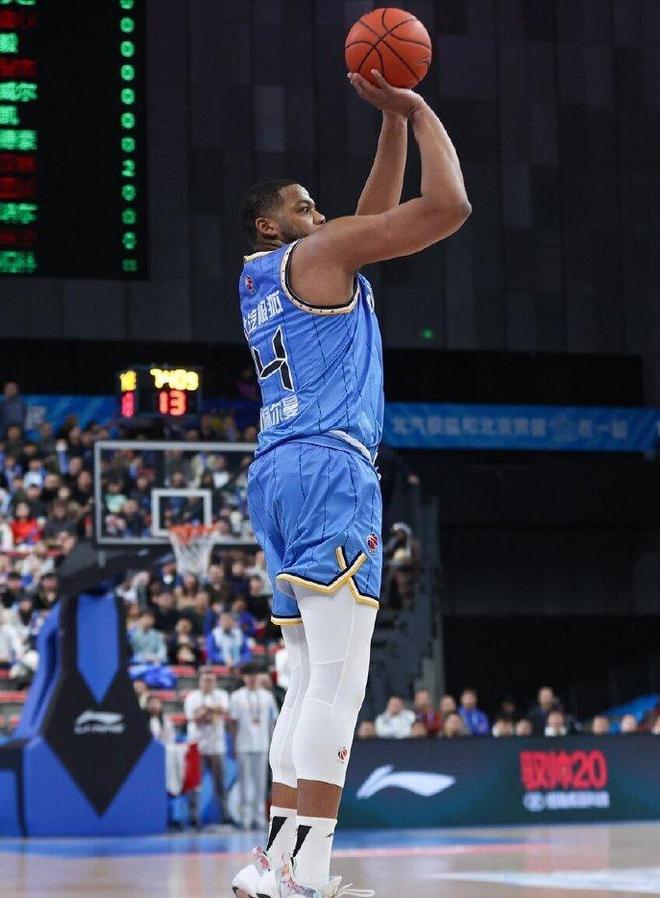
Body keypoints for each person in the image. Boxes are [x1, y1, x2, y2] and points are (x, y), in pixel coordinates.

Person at [232, 68, 470, 898]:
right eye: (305, 206)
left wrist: (390, 126)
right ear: (271, 223)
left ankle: (273, 862)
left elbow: (365, 219)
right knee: (338, 681)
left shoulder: (264, 277)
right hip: (330, 468)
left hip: (276, 468)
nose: (321, 214)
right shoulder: (319, 255)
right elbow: (449, 207)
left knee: (304, 678)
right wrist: (419, 106)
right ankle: (309, 870)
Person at [228, 662, 279, 831]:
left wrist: (273, 743)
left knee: (260, 783)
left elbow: (273, 721)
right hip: (243, 744)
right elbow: (233, 722)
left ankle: (259, 816)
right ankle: (245, 817)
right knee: (244, 783)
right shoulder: (237, 697)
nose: (252, 679)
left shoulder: (267, 696)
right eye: (249, 676)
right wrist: (234, 744)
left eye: (255, 676)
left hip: (262, 744)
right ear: (244, 678)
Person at [184, 668, 230, 827]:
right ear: (200, 682)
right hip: (197, 746)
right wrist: (212, 712)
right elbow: (194, 718)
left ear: (215, 682)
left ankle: (224, 815)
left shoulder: (222, 695)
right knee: (195, 784)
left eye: (211, 680)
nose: (208, 683)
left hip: (217, 746)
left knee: (220, 784)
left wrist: (205, 711)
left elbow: (223, 711)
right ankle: (194, 817)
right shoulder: (192, 697)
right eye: (205, 680)